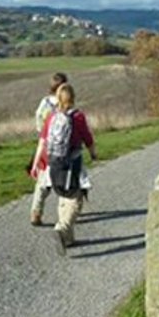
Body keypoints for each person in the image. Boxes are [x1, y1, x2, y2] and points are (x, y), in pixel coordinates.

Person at [30, 83, 97, 255]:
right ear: (73, 98)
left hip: (53, 165)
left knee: (62, 197)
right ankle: (62, 229)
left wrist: (36, 163)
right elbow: (87, 138)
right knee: (76, 199)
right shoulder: (78, 117)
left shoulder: (51, 117)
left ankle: (69, 239)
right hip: (71, 166)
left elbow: (42, 142)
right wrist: (93, 153)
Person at [29, 72, 67, 226]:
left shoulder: (44, 102)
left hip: (45, 147)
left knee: (42, 184)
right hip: (61, 149)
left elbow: (38, 118)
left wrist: (41, 133)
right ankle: (64, 214)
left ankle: (36, 212)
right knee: (64, 183)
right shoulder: (64, 104)